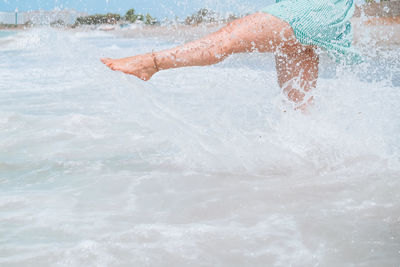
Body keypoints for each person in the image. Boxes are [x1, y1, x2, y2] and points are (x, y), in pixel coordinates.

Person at [101, 0, 361, 110]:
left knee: (225, 40)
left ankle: (151, 64)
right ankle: (316, 179)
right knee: (298, 108)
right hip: (325, 13)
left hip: (309, 9)